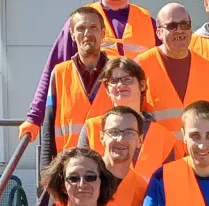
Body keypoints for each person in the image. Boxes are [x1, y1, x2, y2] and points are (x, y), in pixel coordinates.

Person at [21, 0, 158, 147]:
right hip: (96, 124)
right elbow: (53, 68)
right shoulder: (83, 21)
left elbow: (164, 65)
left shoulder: (147, 21)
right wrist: (34, 116)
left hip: (138, 122)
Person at [22, 6, 112, 175]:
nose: (87, 33)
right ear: (71, 34)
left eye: (93, 27)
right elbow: (48, 128)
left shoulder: (117, 72)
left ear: (103, 32)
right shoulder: (59, 73)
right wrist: (46, 175)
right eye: (81, 28)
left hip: (108, 171)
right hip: (70, 173)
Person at [78, 56, 184, 185]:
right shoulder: (92, 129)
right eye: (114, 81)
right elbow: (81, 177)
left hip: (147, 205)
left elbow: (169, 186)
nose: (120, 85)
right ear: (106, 89)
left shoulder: (164, 137)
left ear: (142, 85)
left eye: (127, 80)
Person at [137, 3, 209, 140]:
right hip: (158, 155)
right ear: (159, 33)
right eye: (172, 26)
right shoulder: (141, 65)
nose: (180, 30)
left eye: (185, 24)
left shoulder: (206, 66)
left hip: (197, 155)